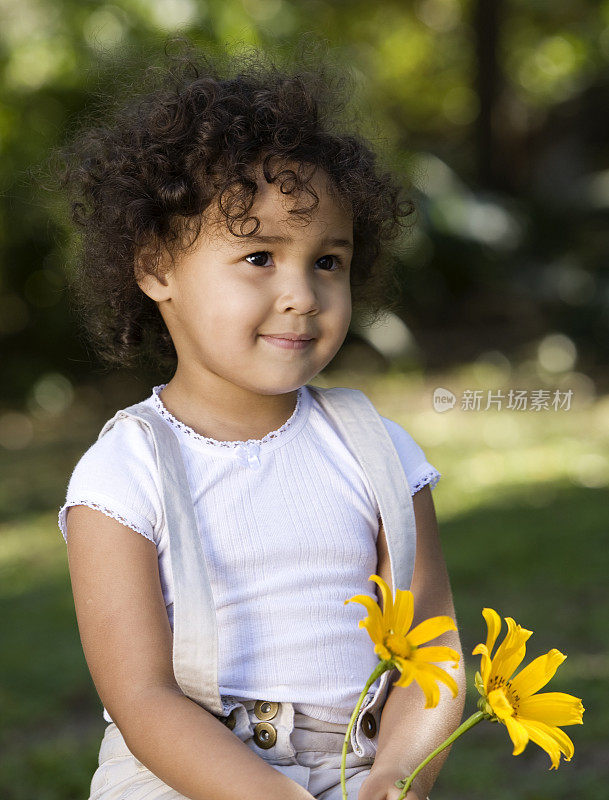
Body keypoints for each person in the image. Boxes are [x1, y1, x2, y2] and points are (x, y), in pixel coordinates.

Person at [54, 36, 465, 800]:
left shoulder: (377, 450)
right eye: (258, 258)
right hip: (183, 773)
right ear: (154, 268)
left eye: (327, 260)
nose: (303, 293)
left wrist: (394, 780)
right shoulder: (123, 475)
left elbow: (432, 649)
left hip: (354, 769)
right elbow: (142, 697)